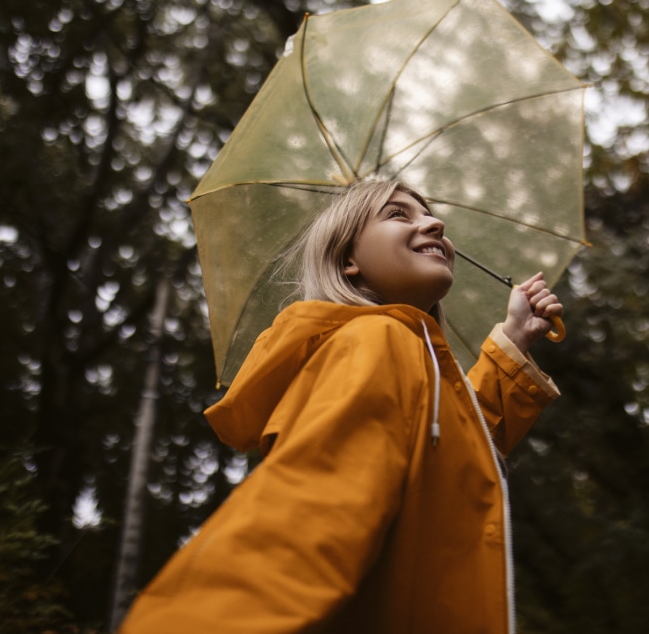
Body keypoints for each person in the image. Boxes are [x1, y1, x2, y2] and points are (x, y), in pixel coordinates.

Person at [119, 179, 563, 633]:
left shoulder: (407, 354)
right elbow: (307, 519)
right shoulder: (376, 341)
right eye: (397, 214)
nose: (435, 223)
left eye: (429, 215)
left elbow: (453, 453)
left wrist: (512, 341)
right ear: (348, 260)